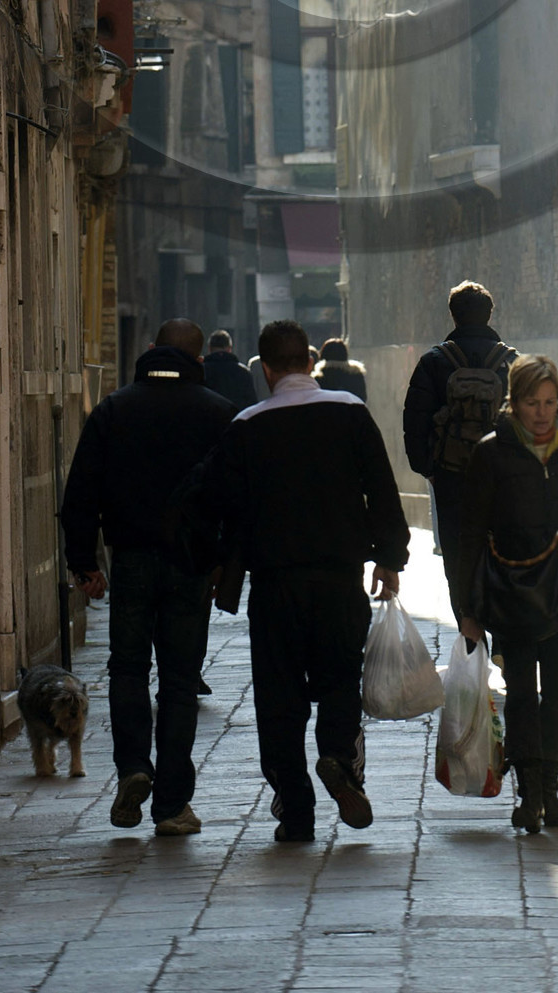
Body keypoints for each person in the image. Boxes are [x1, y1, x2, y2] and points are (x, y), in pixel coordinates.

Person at [176, 317, 409, 845]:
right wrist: (390, 558)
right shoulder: (350, 412)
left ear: (264, 370)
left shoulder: (248, 426)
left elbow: (202, 496)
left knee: (279, 698)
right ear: (308, 361)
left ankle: (295, 809)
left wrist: (214, 558)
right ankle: (337, 759)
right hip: (339, 578)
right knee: (339, 681)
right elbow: (382, 488)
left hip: (276, 585)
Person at [60, 318, 233, 838]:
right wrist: (229, 560)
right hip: (192, 566)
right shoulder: (219, 414)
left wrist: (84, 562)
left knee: (128, 668)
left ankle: (134, 766)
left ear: (151, 350)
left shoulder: (115, 408)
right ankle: (172, 804)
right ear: (199, 361)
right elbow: (235, 497)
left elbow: (81, 491)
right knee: (180, 681)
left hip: (131, 558)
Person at [450, 354, 558, 835]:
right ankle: (528, 791)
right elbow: (470, 534)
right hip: (511, 594)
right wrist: (467, 608)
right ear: (515, 402)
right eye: (532, 403)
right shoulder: (491, 453)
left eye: (550, 402)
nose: (543, 413)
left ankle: (550, 785)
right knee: (522, 693)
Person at [402, 281, 517, 558]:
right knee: (505, 551)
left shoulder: (433, 361)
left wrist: (428, 468)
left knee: (458, 555)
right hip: (504, 477)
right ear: (489, 313)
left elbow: (415, 422)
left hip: (451, 475)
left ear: (453, 314)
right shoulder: (512, 362)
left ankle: (464, 601)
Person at [202, 329, 255, 411]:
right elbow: (251, 403)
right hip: (236, 420)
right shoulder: (243, 372)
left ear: (210, 348)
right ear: (230, 348)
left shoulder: (201, 371)